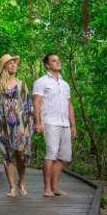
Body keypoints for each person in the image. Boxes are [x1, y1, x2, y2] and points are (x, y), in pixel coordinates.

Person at [0, 54, 33, 197]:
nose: (13, 65)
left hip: (20, 125)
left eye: (15, 63)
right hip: (3, 125)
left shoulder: (21, 84)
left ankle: (21, 182)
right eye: (10, 63)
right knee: (6, 155)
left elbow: (28, 106)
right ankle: (12, 187)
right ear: (4, 66)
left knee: (20, 155)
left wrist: (29, 126)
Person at [33, 53, 75, 197]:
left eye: (58, 60)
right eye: (54, 60)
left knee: (63, 157)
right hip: (50, 122)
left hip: (65, 124)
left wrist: (73, 125)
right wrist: (38, 122)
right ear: (47, 65)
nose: (58, 62)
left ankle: (55, 187)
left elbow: (70, 105)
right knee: (51, 155)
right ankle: (47, 188)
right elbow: (37, 102)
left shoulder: (65, 84)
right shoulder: (41, 82)